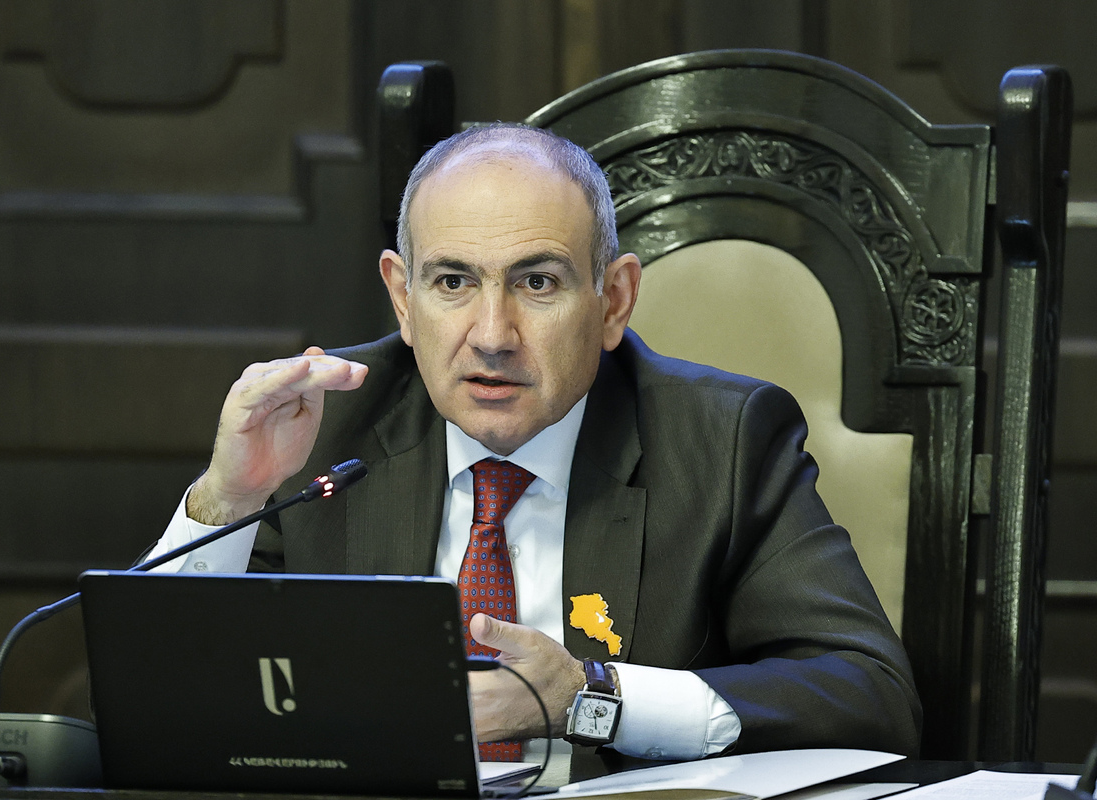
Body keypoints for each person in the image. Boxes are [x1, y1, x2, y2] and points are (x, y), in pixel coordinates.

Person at [147, 123, 921, 761]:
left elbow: (870, 695)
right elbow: (160, 705)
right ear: (403, 299)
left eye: (537, 282)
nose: (492, 335)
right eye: (453, 282)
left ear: (613, 300)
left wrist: (590, 698)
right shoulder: (319, 424)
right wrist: (227, 501)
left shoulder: (722, 440)